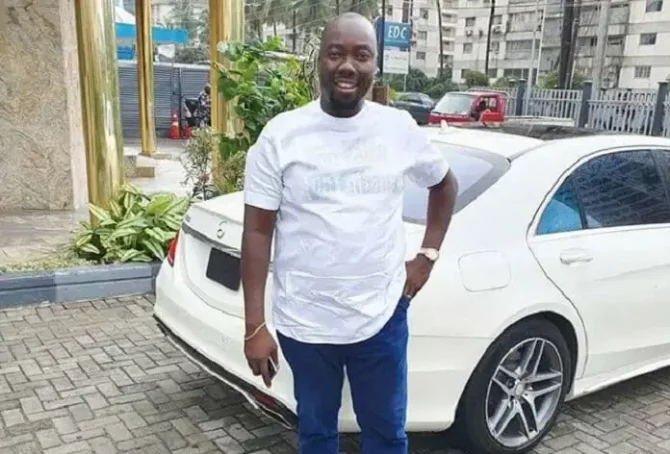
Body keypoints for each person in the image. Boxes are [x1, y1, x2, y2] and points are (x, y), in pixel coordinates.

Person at [241, 12, 458, 454]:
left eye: (361, 55)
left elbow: (444, 185)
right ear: (319, 60)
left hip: (381, 316)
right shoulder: (281, 135)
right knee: (316, 434)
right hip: (305, 323)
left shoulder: (397, 128)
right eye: (335, 53)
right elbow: (257, 233)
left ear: (375, 65)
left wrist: (428, 255)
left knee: (386, 435)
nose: (348, 66)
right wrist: (254, 327)